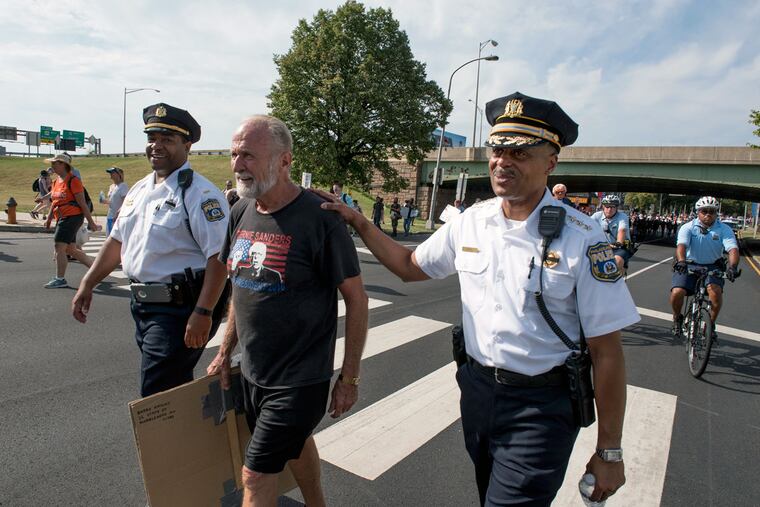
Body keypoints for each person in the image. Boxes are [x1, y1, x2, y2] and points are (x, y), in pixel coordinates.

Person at [317, 91, 639, 506]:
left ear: (551, 161)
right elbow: (410, 265)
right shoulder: (472, 221)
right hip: (477, 392)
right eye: (497, 149)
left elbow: (606, 350)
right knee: (488, 492)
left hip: (542, 409)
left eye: (520, 152)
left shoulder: (584, 238)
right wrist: (359, 221)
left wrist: (609, 450)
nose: (503, 161)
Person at [206, 115, 368, 507]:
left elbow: (357, 299)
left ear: (284, 160)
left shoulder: (320, 218)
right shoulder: (240, 212)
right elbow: (240, 288)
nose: (238, 164)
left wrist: (349, 378)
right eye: (234, 154)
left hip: (299, 381)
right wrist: (226, 349)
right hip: (254, 372)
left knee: (255, 474)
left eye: (248, 155)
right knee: (295, 446)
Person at [71, 103, 230, 397]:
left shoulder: (201, 193)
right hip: (144, 306)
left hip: (180, 309)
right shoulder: (139, 190)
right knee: (171, 393)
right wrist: (87, 283)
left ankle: (169, 442)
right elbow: (116, 242)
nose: (156, 146)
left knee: (156, 395)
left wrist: (203, 312)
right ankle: (184, 442)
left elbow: (219, 258)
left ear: (187, 144)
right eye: (152, 138)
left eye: (167, 139)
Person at [670, 196, 740, 338]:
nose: (708, 214)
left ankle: (711, 325)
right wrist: (682, 261)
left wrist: (733, 266)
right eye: (704, 211)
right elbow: (681, 246)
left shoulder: (724, 229)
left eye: (712, 211)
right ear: (698, 212)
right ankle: (677, 318)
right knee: (677, 291)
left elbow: (733, 249)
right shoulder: (688, 227)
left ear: (716, 213)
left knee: (715, 292)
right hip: (689, 263)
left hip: (713, 265)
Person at [43, 153, 100, 288]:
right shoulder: (56, 182)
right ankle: (96, 270)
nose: (52, 166)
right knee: (71, 250)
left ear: (63, 164)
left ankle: (60, 279)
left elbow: (82, 203)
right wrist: (49, 218)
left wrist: (91, 222)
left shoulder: (73, 180)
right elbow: (54, 202)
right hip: (62, 217)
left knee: (59, 247)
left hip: (72, 217)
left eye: (54, 163)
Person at [591, 195, 632, 273]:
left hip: (620, 247)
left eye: (612, 207)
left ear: (616, 207)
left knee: (615, 263)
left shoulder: (622, 216)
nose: (609, 209)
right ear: (603, 206)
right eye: (607, 207)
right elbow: (586, 226)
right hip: (602, 247)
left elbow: (622, 230)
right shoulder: (596, 215)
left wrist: (619, 242)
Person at [101, 167, 129, 235]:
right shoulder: (111, 186)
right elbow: (112, 201)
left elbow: (125, 202)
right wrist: (104, 201)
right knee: (109, 236)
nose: (111, 174)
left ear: (119, 174)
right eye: (110, 173)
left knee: (116, 239)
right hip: (110, 216)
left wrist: (118, 214)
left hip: (117, 217)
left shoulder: (123, 186)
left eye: (113, 173)